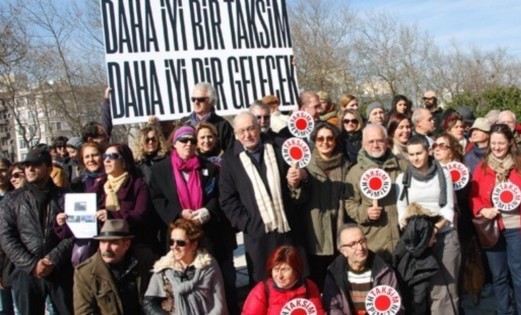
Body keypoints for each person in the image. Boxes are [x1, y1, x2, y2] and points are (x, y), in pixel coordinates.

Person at [149, 125, 238, 313]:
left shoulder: (210, 167)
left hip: (208, 235)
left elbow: (220, 195)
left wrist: (208, 211)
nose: (189, 144)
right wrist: (179, 214)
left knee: (218, 285)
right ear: (175, 143)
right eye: (184, 140)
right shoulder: (160, 169)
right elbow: (157, 198)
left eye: (192, 140)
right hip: (178, 237)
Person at [219, 112, 307, 283]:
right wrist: (248, 223)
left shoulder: (279, 147)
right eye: (242, 131)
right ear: (236, 135)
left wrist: (299, 178)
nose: (247, 135)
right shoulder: (230, 160)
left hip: (288, 230)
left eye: (251, 129)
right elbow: (227, 199)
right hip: (257, 236)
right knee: (264, 284)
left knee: (293, 278)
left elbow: (301, 180)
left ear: (259, 128)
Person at [0, 147, 73, 314]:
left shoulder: (66, 196)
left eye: (36, 165)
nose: (30, 169)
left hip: (60, 270)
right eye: (27, 165)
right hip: (26, 272)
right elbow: (6, 236)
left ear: (48, 168)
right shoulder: (12, 200)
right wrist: (32, 265)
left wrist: (52, 259)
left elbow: (75, 232)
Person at [396, 135, 460, 315]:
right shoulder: (402, 178)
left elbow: (448, 208)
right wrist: (421, 235)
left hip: (444, 233)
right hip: (418, 239)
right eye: (411, 154)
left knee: (447, 287)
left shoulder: (444, 173)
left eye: (419, 153)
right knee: (422, 290)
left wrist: (434, 230)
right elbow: (402, 212)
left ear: (428, 151)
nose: (415, 158)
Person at [469, 123, 521, 314]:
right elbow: (473, 196)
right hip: (493, 228)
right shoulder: (482, 168)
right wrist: (483, 209)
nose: (498, 147)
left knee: (518, 273)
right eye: (494, 143)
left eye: (501, 143)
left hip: (516, 226)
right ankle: (504, 310)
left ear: (509, 143)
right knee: (499, 275)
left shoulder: (518, 166)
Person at [345, 124, 407, 262]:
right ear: (363, 144)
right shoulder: (355, 173)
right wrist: (365, 213)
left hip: (403, 240)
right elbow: (349, 204)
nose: (376, 145)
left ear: (387, 141)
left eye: (379, 140)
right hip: (374, 241)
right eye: (371, 141)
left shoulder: (402, 166)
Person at [301, 123, 351, 288]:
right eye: (320, 138)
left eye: (329, 138)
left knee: (340, 283)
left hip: (340, 230)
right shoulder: (306, 166)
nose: (325, 142)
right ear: (314, 141)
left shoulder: (345, 165)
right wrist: (296, 184)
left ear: (335, 141)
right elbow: (298, 198)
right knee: (319, 283)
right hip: (315, 234)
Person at [143, 218, 228, 314]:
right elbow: (149, 303)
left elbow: (219, 305)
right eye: (171, 242)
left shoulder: (209, 266)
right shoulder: (163, 269)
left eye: (180, 243)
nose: (174, 247)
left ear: (194, 245)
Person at [74, 219, 150, 315]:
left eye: (113, 243)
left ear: (126, 244)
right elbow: (84, 312)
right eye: (103, 242)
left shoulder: (143, 262)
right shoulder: (86, 272)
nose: (106, 248)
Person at [322, 224, 401, 314]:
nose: (360, 247)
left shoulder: (384, 271)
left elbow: (396, 306)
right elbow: (332, 307)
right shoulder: (334, 273)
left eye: (362, 241)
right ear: (343, 251)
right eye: (353, 244)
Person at [242, 245, 326, 315]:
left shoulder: (309, 286)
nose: (279, 276)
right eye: (276, 269)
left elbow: (318, 312)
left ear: (296, 270)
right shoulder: (262, 290)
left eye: (284, 270)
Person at [179, 82, 234, 151]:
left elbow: (230, 152)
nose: (196, 102)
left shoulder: (223, 125)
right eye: (193, 99)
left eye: (200, 99)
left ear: (211, 101)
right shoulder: (184, 123)